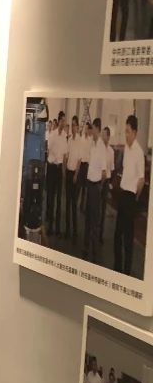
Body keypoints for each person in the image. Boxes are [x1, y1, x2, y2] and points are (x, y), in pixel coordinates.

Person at [116, 114, 146, 276]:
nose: (125, 134)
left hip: (130, 198)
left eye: (128, 131)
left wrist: (135, 198)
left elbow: (141, 179)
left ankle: (126, 272)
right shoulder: (127, 149)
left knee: (128, 238)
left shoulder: (139, 152)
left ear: (134, 132)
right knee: (117, 235)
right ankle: (117, 267)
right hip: (122, 195)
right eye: (125, 131)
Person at [84, 117, 109, 262]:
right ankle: (86, 247)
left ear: (98, 129)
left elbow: (104, 173)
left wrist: (99, 186)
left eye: (93, 128)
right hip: (89, 184)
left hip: (95, 187)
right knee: (88, 218)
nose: (91, 130)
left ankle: (94, 253)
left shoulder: (101, 147)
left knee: (94, 221)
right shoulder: (92, 145)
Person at [46, 112, 68, 235]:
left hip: (59, 169)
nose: (64, 123)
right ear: (59, 121)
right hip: (52, 168)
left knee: (59, 199)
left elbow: (64, 155)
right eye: (62, 121)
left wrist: (63, 171)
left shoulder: (65, 136)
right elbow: (49, 150)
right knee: (51, 197)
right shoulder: (53, 135)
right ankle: (50, 226)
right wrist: (54, 158)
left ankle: (58, 228)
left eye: (65, 121)